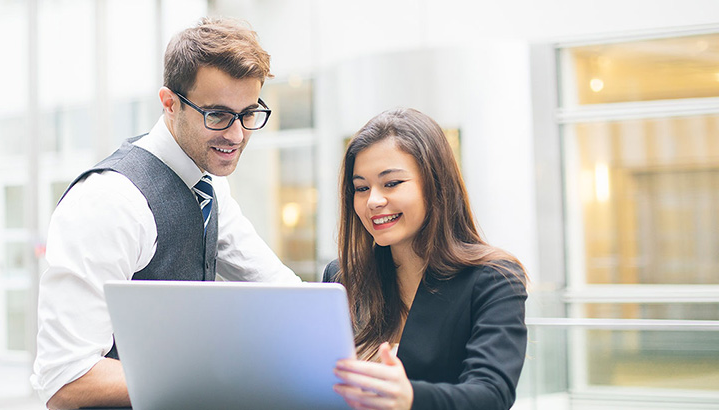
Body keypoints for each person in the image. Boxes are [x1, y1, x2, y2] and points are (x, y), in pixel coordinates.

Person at [30, 17, 301, 410]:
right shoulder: (110, 201)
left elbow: (278, 287)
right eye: (218, 115)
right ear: (170, 103)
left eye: (248, 114)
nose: (238, 135)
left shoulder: (208, 186)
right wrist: (216, 372)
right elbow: (64, 379)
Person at [325, 108, 528, 410]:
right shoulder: (342, 277)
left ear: (435, 185)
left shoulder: (494, 279)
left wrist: (410, 398)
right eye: (361, 188)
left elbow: (491, 394)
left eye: (391, 183)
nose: (373, 201)